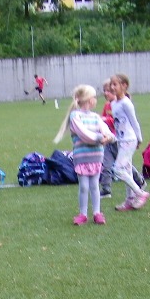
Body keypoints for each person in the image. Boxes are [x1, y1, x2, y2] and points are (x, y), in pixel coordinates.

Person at [54, 84, 115, 226]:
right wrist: (100, 138)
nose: (96, 99)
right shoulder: (75, 116)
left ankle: (97, 213)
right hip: (82, 158)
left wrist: (109, 137)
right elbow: (84, 134)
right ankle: (83, 214)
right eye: (94, 97)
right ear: (87, 99)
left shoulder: (96, 117)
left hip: (96, 156)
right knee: (83, 186)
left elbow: (106, 130)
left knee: (95, 185)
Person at [110, 73, 150, 211]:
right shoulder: (114, 103)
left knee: (117, 169)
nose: (112, 87)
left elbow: (134, 121)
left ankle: (140, 193)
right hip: (121, 140)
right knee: (126, 170)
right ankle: (130, 200)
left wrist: (139, 138)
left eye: (115, 84)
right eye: (111, 84)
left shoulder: (126, 103)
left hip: (129, 139)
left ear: (124, 86)